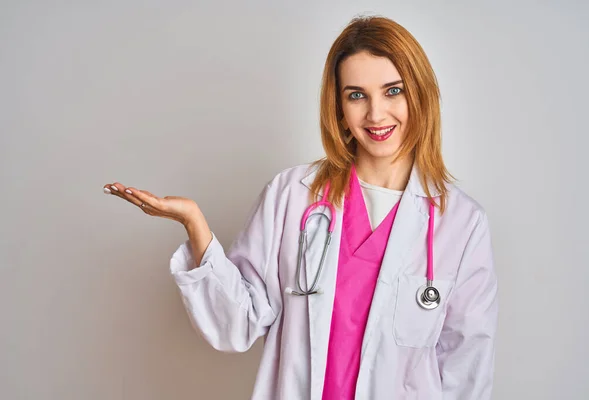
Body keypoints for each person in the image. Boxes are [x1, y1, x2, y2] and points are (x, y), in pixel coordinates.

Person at [104, 15, 498, 400]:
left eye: (392, 90)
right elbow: (236, 325)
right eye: (356, 95)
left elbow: (466, 369)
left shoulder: (460, 224)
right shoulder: (292, 195)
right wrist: (194, 223)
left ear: (420, 93)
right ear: (340, 107)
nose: (376, 114)